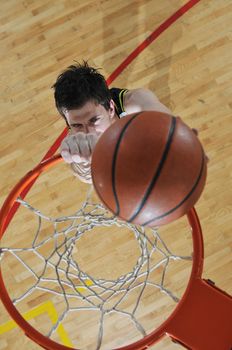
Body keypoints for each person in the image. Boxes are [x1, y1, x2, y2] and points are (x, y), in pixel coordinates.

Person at [52, 61, 173, 183]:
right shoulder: (75, 138)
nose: (89, 133)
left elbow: (177, 135)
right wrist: (83, 162)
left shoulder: (137, 104)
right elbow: (89, 179)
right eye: (77, 125)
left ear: (111, 108)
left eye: (94, 120)